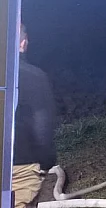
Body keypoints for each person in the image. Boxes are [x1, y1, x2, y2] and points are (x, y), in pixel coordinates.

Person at [12, 24, 57, 208]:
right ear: (23, 43)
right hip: (21, 168)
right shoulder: (34, 77)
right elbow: (42, 127)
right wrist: (46, 161)